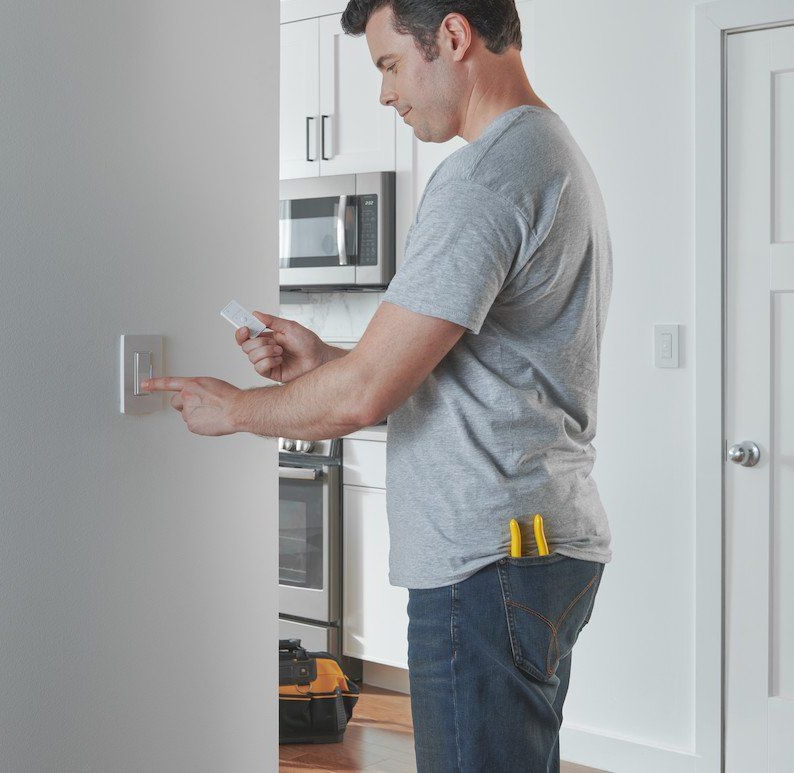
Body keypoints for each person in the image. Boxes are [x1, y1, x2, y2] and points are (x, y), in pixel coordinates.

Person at [142, 1, 611, 769]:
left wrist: (235, 410)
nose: (385, 95)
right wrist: (324, 357)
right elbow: (455, 370)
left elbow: (367, 394)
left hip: (487, 562)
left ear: (454, 37)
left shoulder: (486, 176)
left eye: (391, 64)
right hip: (533, 546)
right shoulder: (546, 152)